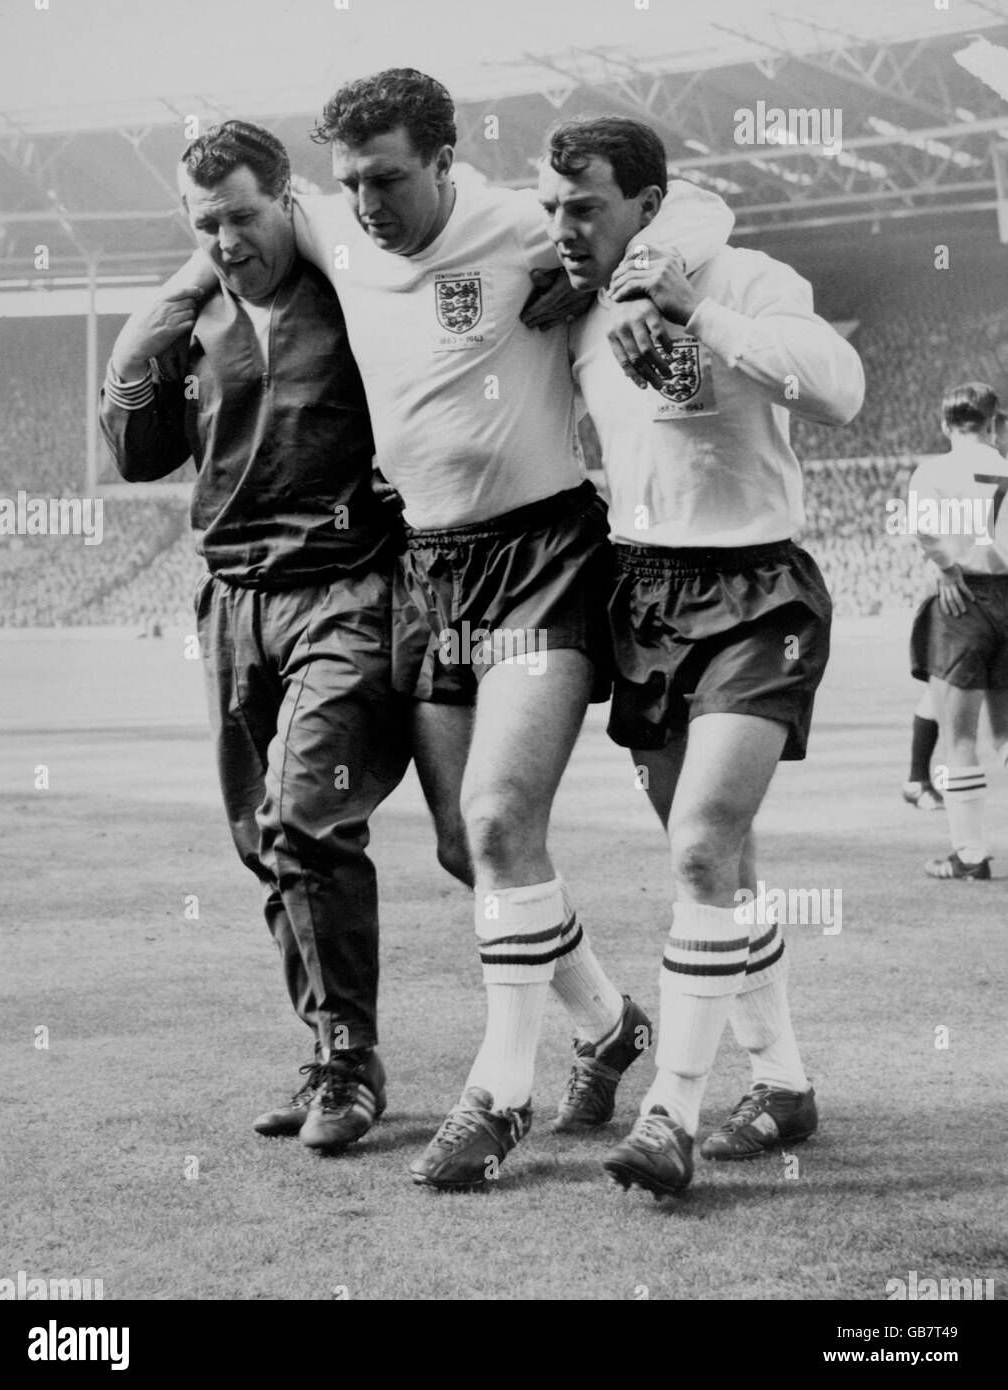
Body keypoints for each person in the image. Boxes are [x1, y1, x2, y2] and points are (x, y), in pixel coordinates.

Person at [171, 71, 737, 1187]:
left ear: (444, 162)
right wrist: (167, 302)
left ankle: (498, 1092)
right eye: (351, 183)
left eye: (388, 177)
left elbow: (693, 209)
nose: (369, 202)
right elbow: (237, 231)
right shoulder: (331, 227)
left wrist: (616, 282)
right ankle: (610, 1022)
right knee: (459, 842)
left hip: (543, 552)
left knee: (495, 811)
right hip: (428, 570)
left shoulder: (519, 221)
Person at [537, 115, 865, 1197]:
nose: (563, 227)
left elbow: (839, 388)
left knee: (697, 848)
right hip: (642, 594)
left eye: (584, 206)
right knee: (725, 867)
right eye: (551, 207)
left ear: (648, 200)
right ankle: (782, 1083)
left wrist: (697, 310)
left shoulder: (747, 275)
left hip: (755, 589)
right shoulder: (572, 303)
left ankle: (669, 1110)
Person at [100, 121, 411, 1155]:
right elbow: (138, 453)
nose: (226, 239)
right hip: (234, 601)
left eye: (241, 215)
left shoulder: (354, 292)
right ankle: (331, 1048)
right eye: (204, 225)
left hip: (347, 592)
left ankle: (348, 1062)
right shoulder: (194, 327)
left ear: (286, 195)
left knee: (306, 816)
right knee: (260, 841)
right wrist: (171, 298)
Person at [908, 383, 1008, 880]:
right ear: (995, 423)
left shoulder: (934, 471)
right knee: (1007, 732)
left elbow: (923, 527)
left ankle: (969, 855)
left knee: (961, 737)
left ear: (946, 425)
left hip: (964, 598)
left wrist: (947, 570)